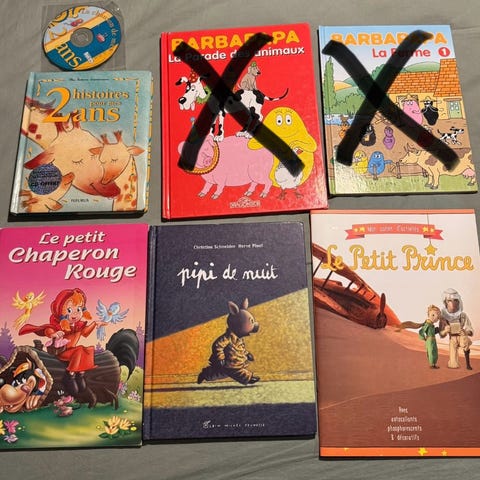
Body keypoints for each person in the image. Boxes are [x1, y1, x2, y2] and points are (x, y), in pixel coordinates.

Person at [438, 288, 474, 370]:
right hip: (452, 339)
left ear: (458, 301)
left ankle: (468, 364)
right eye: (449, 300)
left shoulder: (463, 315)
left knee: (465, 341)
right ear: (445, 302)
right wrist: (445, 331)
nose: (452, 303)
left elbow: (469, 328)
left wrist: (466, 332)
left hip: (461, 336)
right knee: (453, 364)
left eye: (455, 300)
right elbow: (441, 334)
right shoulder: (443, 318)